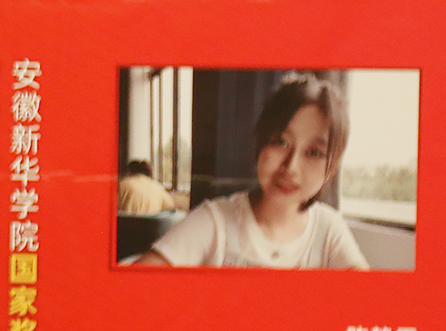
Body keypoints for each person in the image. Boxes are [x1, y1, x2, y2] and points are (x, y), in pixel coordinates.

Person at [138, 74, 369, 270]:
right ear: (260, 145)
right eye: (280, 142)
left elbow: (368, 298)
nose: (291, 167)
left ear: (332, 169)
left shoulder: (329, 230)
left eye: (314, 153)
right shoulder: (215, 222)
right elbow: (134, 286)